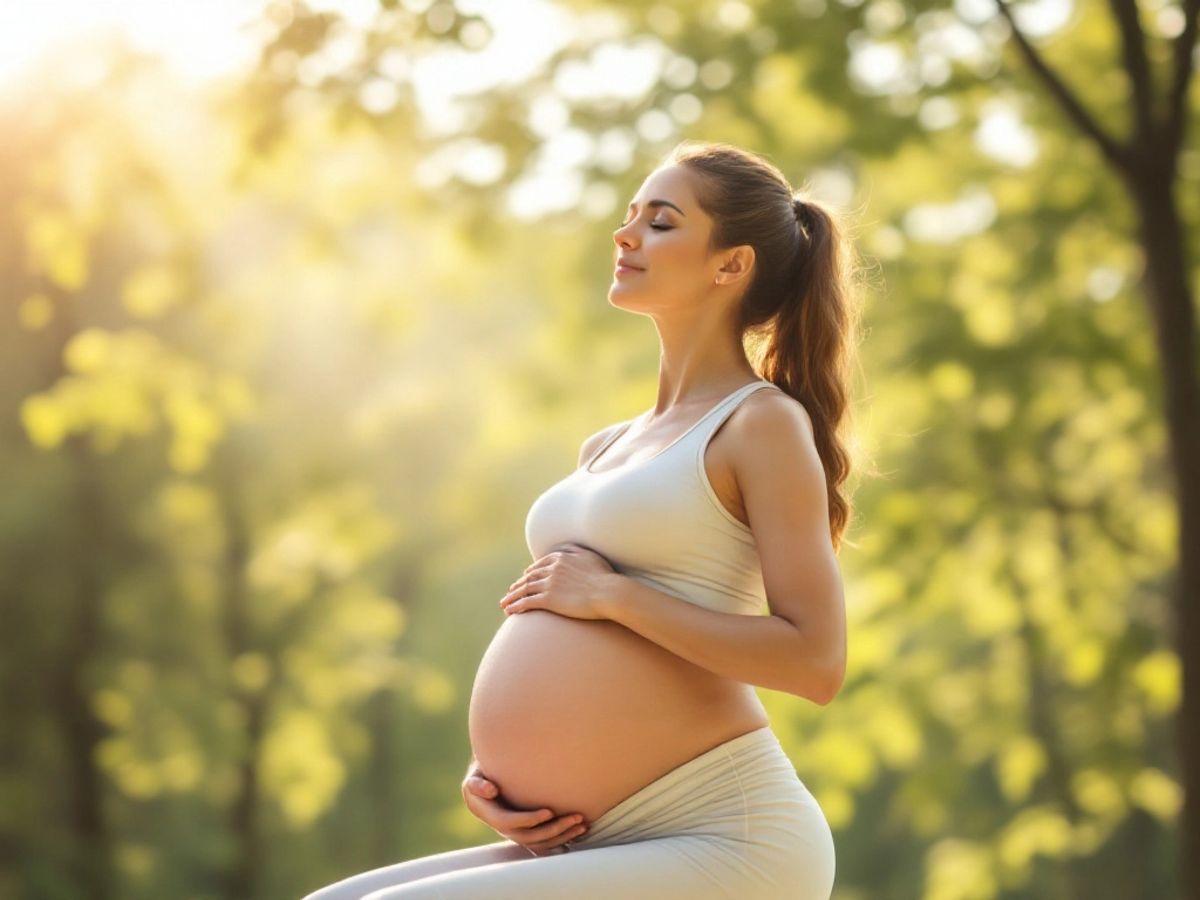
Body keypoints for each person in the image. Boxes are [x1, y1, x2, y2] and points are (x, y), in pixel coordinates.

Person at [301, 139, 863, 899]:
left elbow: (816, 660)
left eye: (661, 222)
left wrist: (615, 598)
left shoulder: (760, 424)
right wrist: (498, 773)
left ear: (730, 266)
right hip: (597, 832)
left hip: (727, 836)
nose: (625, 234)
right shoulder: (608, 444)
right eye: (630, 216)